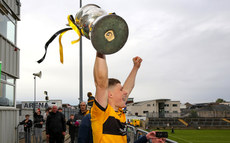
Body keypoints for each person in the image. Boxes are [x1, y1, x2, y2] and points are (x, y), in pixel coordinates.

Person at [91, 52, 142, 143]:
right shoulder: (102, 113)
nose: (125, 92)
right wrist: (101, 49)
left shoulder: (119, 112)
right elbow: (101, 83)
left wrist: (135, 67)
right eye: (121, 90)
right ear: (110, 94)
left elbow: (128, 88)